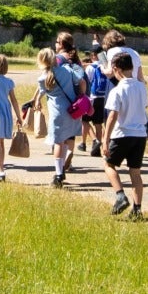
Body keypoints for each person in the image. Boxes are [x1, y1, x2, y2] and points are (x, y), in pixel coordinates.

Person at [102, 51, 148, 216]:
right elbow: (144, 107)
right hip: (139, 135)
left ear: (116, 69)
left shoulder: (117, 91)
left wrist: (105, 139)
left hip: (122, 134)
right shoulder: (141, 87)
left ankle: (120, 195)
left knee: (109, 165)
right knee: (135, 172)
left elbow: (112, 116)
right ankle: (137, 209)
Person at [43, 34, 89, 185]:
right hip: (75, 103)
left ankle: (59, 170)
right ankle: (69, 154)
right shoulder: (74, 59)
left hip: (59, 104)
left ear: (61, 43)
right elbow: (82, 80)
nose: (55, 44)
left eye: (56, 42)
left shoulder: (58, 60)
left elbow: (47, 79)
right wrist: (82, 96)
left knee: (58, 140)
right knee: (70, 136)